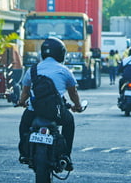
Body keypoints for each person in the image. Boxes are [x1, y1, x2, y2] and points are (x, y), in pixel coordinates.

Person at [17, 37, 84, 170]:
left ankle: (24, 153)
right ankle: (66, 155)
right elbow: (73, 93)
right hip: (56, 113)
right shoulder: (64, 70)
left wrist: (21, 102)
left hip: (34, 110)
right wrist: (78, 106)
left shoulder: (33, 70)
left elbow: (24, 93)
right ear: (61, 53)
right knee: (69, 121)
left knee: (24, 124)